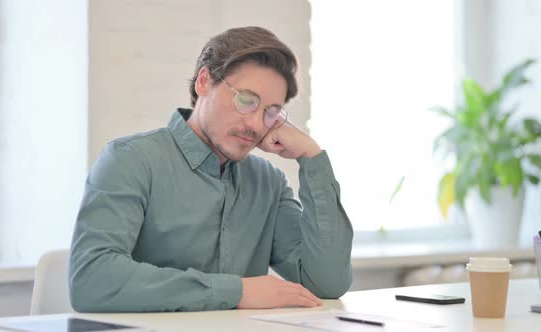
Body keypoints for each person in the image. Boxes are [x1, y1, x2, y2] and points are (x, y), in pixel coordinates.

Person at [69, 26, 353, 312]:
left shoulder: (268, 183)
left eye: (270, 112)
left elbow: (326, 284)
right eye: (245, 100)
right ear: (204, 82)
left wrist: (311, 156)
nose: (255, 124)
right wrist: (238, 292)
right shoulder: (130, 160)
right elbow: (92, 279)